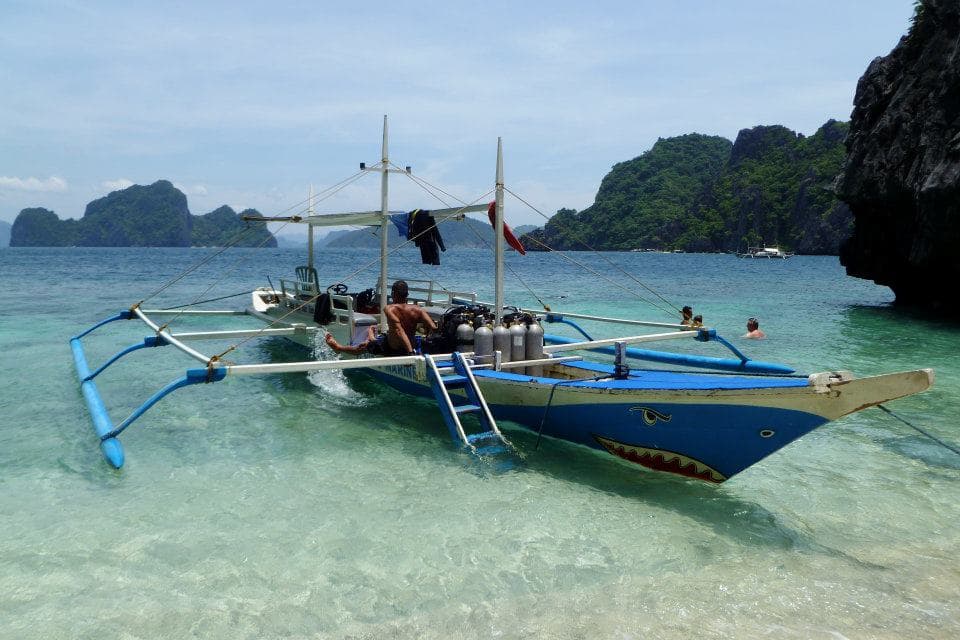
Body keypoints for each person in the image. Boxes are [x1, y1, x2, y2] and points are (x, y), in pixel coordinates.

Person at [325, 280, 437, 355]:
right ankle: (372, 337)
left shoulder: (390, 309)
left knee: (364, 346)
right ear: (407, 294)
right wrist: (427, 337)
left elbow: (399, 330)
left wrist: (410, 353)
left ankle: (339, 348)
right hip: (409, 345)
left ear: (393, 293)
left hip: (393, 349)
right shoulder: (418, 309)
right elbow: (433, 326)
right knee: (381, 339)